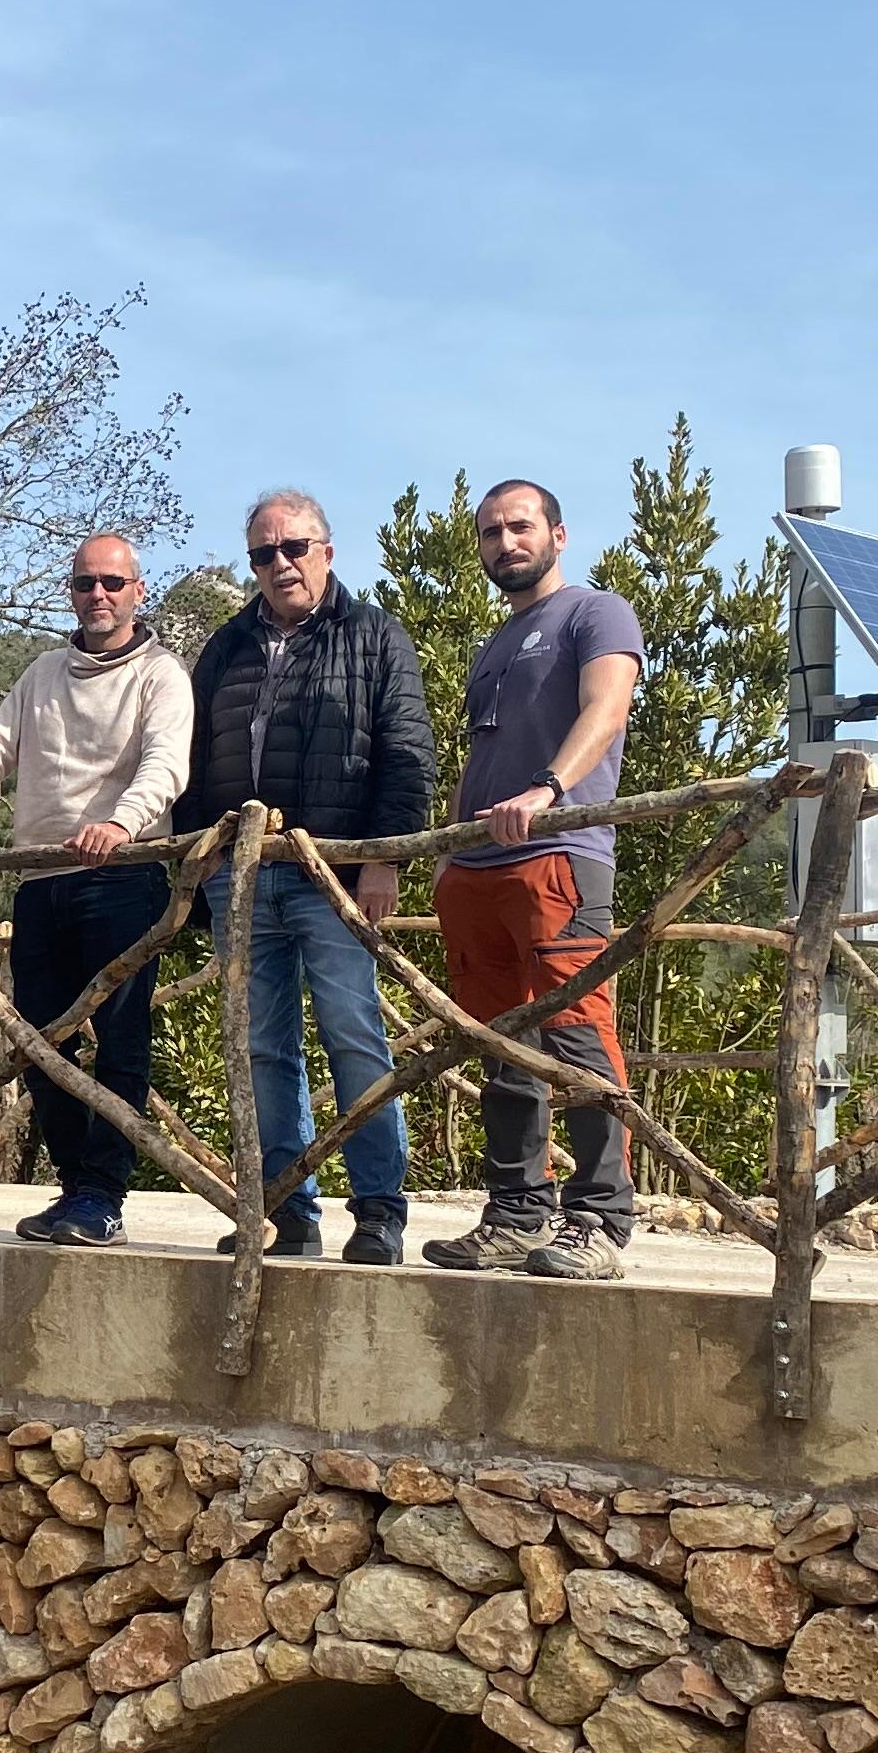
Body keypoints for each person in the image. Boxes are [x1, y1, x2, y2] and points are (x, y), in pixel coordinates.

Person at [172, 489, 433, 1263]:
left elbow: (406, 751)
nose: (279, 564)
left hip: (335, 875)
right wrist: (200, 850)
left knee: (355, 1035)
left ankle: (379, 1209)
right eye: (263, 553)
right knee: (259, 1046)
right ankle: (285, 1209)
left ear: (327, 550)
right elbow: (192, 755)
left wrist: (383, 858)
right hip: (242, 877)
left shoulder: (376, 636)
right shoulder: (226, 646)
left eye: (294, 548)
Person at [0, 533, 193, 1245]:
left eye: (110, 582)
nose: (96, 595)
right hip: (41, 882)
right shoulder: (41, 672)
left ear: (137, 591)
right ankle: (74, 1187)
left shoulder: (162, 674)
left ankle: (104, 1195)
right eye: (83, 584)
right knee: (42, 1043)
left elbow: (166, 764)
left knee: (121, 1042)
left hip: (121, 880)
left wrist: (121, 822)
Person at [429, 478, 646, 1280]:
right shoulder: (498, 641)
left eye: (519, 527)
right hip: (478, 870)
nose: (504, 543)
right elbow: (486, 751)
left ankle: (599, 1221)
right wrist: (452, 852)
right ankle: (519, 1212)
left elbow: (607, 709)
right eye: (490, 532)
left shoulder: (597, 612)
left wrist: (549, 790)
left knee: (579, 1031)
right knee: (501, 1044)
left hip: (559, 852)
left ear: (558, 534)